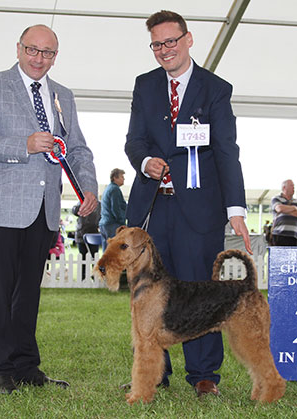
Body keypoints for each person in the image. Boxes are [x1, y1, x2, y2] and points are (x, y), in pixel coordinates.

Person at [125, 10, 251, 397]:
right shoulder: (144, 85)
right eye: (157, 44)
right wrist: (146, 163)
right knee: (148, 295)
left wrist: (236, 209)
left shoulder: (215, 88)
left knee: (200, 292)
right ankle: (152, 373)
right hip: (153, 208)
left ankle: (203, 375)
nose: (165, 50)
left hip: (200, 209)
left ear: (188, 39)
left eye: (171, 41)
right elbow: (135, 141)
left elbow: (227, 152)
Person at [0, 24, 98, 394]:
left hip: (45, 210)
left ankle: (26, 367)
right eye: (33, 50)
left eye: (48, 53)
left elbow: (78, 149)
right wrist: (22, 144)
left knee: (28, 294)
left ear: (56, 56)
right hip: (3, 209)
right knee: (0, 292)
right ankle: (0, 369)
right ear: (18, 48)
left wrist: (87, 185)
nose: (40, 58)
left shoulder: (63, 96)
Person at [99, 168, 127, 251]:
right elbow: (116, 208)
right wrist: (122, 223)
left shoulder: (108, 188)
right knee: (114, 252)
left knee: (106, 251)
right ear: (115, 178)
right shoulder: (115, 189)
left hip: (104, 224)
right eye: (122, 177)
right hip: (113, 224)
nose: (124, 179)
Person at [72, 201, 101, 279]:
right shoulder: (80, 202)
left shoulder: (99, 204)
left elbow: (101, 217)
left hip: (93, 234)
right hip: (81, 234)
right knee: (82, 257)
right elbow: (74, 211)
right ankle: (82, 277)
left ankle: (95, 275)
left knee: (94, 257)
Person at [271, 179, 297, 246]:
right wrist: (294, 208)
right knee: (279, 255)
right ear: (284, 187)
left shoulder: (296, 201)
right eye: (291, 186)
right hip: (279, 234)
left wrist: (285, 210)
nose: (294, 188)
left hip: (294, 235)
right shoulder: (276, 198)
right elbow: (279, 208)